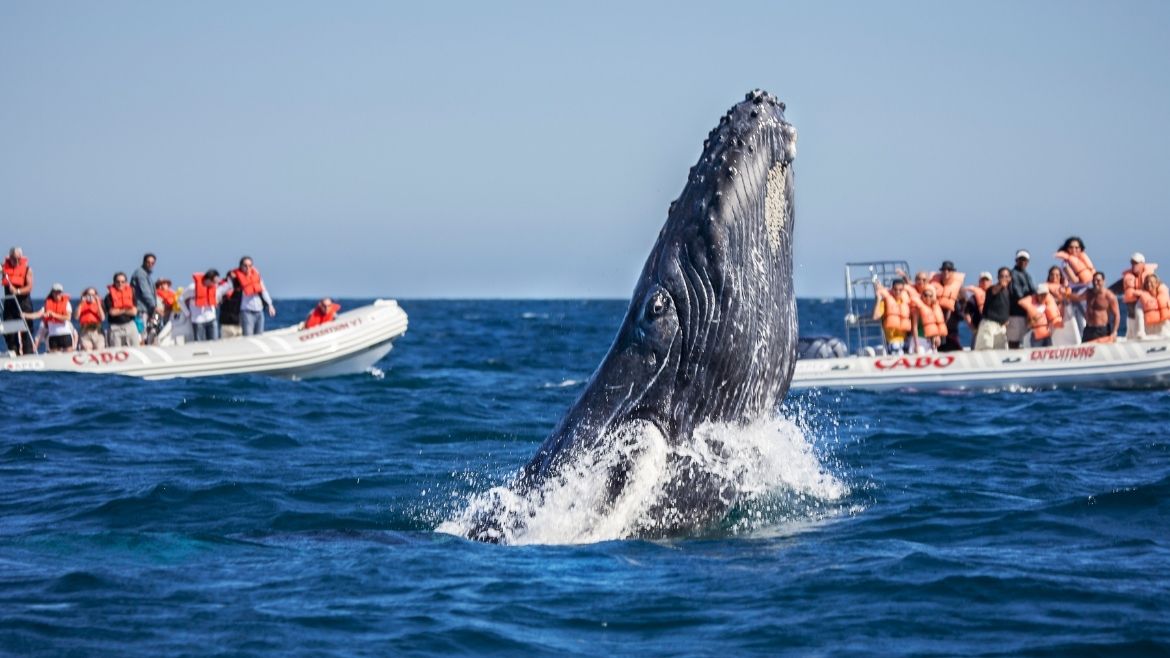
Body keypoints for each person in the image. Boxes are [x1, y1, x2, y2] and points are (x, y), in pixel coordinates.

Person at [181, 269, 233, 342]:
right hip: (198, 320)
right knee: (200, 344)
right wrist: (187, 312)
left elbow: (228, 286)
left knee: (214, 343)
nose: (215, 284)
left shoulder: (215, 288)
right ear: (208, 280)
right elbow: (180, 299)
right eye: (214, 282)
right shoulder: (192, 288)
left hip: (211, 319)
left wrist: (230, 278)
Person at [229, 256, 275, 336]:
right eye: (245, 265)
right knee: (248, 336)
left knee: (259, 335)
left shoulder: (257, 276)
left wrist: (270, 305)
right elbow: (226, 289)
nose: (247, 268)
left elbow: (264, 290)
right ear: (241, 266)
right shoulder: (235, 279)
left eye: (250, 266)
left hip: (259, 311)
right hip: (247, 312)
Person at [2, 246, 35, 355]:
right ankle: (14, 352)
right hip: (9, 304)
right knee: (9, 332)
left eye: (18, 259)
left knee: (26, 332)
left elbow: (30, 287)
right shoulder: (4, 268)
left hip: (23, 303)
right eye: (14, 258)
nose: (16, 261)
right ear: (10, 257)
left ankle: (28, 354)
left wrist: (17, 291)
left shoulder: (27, 269)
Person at [1074, 271, 1119, 344]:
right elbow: (1078, 298)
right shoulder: (1089, 293)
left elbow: (1116, 315)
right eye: (1094, 280)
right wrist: (1065, 294)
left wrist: (1114, 332)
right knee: (1085, 351)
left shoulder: (1109, 296)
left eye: (1098, 280)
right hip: (1088, 329)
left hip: (1101, 330)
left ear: (1104, 281)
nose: (1095, 282)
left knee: (1102, 352)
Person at [931, 260, 966, 352]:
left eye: (949, 270)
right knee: (936, 349)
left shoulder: (958, 288)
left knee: (952, 348)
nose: (946, 272)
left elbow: (964, 305)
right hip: (936, 325)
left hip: (951, 326)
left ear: (953, 272)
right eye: (944, 270)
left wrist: (955, 302)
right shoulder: (934, 285)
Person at [975, 268, 1013, 350]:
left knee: (1001, 353)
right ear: (998, 277)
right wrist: (1000, 285)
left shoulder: (1008, 292)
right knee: (985, 350)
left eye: (1006, 276)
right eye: (1001, 276)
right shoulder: (992, 289)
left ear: (1010, 278)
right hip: (989, 324)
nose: (1004, 278)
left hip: (1001, 327)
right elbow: (994, 291)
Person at [1122, 252, 1158, 339]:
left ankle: (1141, 333)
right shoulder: (1128, 276)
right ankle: (1129, 336)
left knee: (1138, 309)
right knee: (1131, 315)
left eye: (1136, 263)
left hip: (1147, 304)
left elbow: (1156, 286)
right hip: (1132, 307)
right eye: (1132, 263)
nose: (1134, 265)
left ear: (1142, 264)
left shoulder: (1149, 275)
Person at [1007, 249, 1037, 349]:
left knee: (1025, 340)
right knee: (1014, 340)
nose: (1023, 262)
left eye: (1025, 260)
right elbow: (1017, 294)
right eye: (1020, 260)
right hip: (1015, 314)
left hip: (1026, 314)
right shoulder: (1012, 274)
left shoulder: (1027, 275)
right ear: (1016, 260)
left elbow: (1033, 291)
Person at [1018, 283, 1062, 348]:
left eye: (1045, 294)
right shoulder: (1031, 306)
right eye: (1041, 295)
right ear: (1037, 295)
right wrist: (1034, 320)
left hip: (1047, 336)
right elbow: (1028, 324)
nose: (1043, 296)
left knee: (1049, 354)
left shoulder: (1048, 305)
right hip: (1036, 336)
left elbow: (1061, 300)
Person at [104, 271, 139, 347]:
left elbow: (134, 312)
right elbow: (112, 312)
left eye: (123, 282)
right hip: (115, 328)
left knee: (136, 348)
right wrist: (126, 309)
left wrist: (119, 310)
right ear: (114, 282)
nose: (120, 284)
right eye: (118, 282)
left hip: (130, 326)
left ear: (126, 282)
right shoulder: (108, 297)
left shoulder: (132, 294)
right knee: (116, 351)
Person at [38, 283, 75, 353]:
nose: (57, 294)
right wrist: (26, 315)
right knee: (54, 356)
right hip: (53, 335)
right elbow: (40, 314)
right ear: (52, 292)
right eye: (55, 292)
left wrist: (54, 315)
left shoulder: (67, 303)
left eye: (59, 292)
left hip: (65, 334)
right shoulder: (47, 303)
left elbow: (68, 317)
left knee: (67, 355)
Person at [130, 252, 158, 343]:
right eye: (148, 262)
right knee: (141, 333)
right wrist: (154, 306)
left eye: (152, 263)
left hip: (147, 309)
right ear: (144, 262)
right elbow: (145, 292)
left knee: (149, 333)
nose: (150, 264)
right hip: (141, 309)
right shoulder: (141, 274)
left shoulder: (146, 274)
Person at [912, 285, 947, 353]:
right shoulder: (916, 310)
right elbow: (914, 328)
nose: (928, 298)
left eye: (930, 296)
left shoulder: (935, 309)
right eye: (925, 295)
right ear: (922, 296)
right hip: (920, 339)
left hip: (931, 341)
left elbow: (937, 325)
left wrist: (938, 337)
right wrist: (916, 345)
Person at [1134, 273, 1170, 339]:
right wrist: (1141, 332)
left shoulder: (1165, 297)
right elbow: (1139, 316)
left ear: (1157, 283)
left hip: (1165, 330)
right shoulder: (1141, 301)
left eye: (1151, 282)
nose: (1149, 284)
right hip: (1150, 333)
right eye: (1147, 282)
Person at [962, 271, 993, 348]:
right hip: (978, 330)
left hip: (992, 330)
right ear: (979, 282)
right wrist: (972, 328)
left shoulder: (996, 296)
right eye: (982, 280)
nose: (984, 282)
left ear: (991, 282)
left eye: (987, 280)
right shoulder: (973, 298)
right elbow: (966, 313)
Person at [75, 287, 106, 351]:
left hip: (97, 331)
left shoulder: (99, 304)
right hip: (85, 331)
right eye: (88, 295)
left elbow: (102, 318)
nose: (90, 297)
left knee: (100, 350)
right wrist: (81, 303)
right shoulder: (81, 304)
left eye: (93, 295)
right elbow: (76, 317)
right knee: (87, 351)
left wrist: (98, 303)